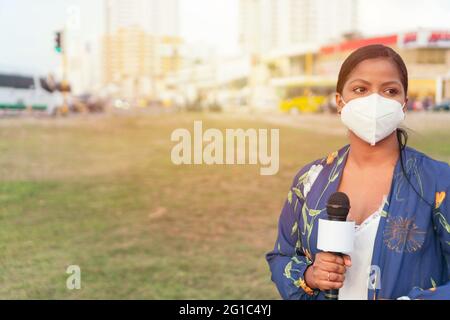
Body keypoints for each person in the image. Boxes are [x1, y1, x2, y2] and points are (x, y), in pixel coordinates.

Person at [266, 44, 450, 300]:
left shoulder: (438, 182)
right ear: (339, 102)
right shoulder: (310, 180)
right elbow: (282, 257)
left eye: (390, 91)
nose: (375, 101)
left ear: (404, 104)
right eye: (360, 89)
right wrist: (310, 275)